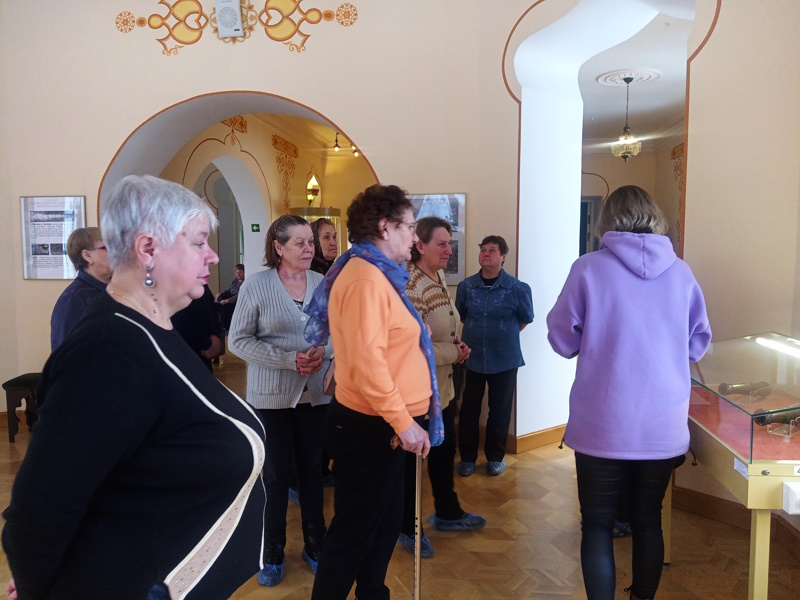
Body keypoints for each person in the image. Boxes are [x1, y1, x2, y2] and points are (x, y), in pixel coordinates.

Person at [2, 175, 267, 599]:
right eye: (199, 242)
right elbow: (41, 508)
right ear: (148, 250)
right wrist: (40, 582)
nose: (213, 255)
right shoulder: (107, 349)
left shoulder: (151, 326)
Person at [546, 185, 711, 600]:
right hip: (662, 425)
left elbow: (562, 339)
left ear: (607, 220)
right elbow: (697, 345)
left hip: (601, 425)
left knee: (597, 524)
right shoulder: (681, 273)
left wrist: (597, 340)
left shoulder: (587, 269)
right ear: (654, 217)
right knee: (648, 521)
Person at [304, 184, 444, 600]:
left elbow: (383, 343)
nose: (414, 238)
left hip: (385, 425)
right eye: (409, 228)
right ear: (385, 227)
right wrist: (404, 424)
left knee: (383, 524)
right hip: (372, 426)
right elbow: (368, 364)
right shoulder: (365, 278)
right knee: (353, 533)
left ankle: (372, 594)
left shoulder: (378, 273)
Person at [227, 214, 333, 587]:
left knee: (312, 472)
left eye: (311, 242)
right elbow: (238, 340)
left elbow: (338, 332)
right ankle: (271, 549)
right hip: (270, 397)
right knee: (274, 474)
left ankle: (316, 544)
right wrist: (289, 359)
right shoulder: (256, 286)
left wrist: (323, 352)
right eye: (300, 242)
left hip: (315, 395)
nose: (309, 248)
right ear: (278, 247)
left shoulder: (322, 283)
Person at [398, 216, 486, 559]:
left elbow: (444, 328)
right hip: (417, 394)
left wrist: (456, 344)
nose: (449, 250)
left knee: (444, 452)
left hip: (442, 390)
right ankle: (407, 527)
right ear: (420, 246)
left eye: (450, 243)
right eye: (442, 244)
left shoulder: (436, 278)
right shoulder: (412, 285)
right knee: (411, 465)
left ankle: (447, 512)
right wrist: (455, 353)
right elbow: (412, 346)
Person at [455, 235, 533, 477]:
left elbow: (525, 319)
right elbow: (463, 315)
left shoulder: (518, 288)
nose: (486, 254)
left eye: (492, 250)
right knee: (469, 409)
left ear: (503, 256)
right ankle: (467, 457)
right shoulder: (466, 286)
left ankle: (495, 457)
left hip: (505, 359)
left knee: (499, 410)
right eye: (483, 250)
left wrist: (501, 333)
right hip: (472, 357)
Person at [50, 226, 112, 352]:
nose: (116, 252)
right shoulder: (74, 298)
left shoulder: (116, 291)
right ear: (87, 255)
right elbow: (65, 354)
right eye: (107, 248)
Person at [172, 283, 225, 371]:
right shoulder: (174, 284)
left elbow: (213, 308)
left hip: (205, 350)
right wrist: (206, 344)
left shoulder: (201, 283)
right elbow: (177, 319)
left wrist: (215, 335)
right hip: (185, 351)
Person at [216, 263, 244, 331]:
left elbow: (239, 295)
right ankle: (218, 327)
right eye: (237, 272)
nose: (238, 274)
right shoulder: (235, 280)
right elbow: (229, 290)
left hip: (236, 301)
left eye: (240, 272)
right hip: (230, 297)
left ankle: (227, 328)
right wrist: (220, 294)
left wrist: (227, 301)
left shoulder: (244, 282)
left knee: (224, 308)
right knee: (216, 306)